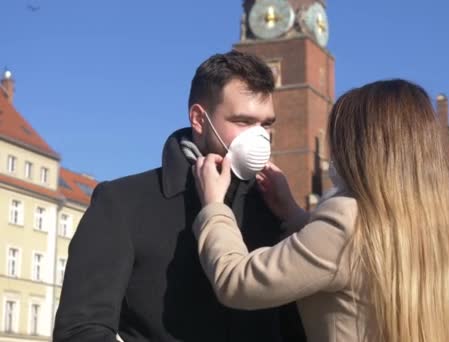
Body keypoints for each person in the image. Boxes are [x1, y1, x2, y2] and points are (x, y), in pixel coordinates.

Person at [192, 79, 449, 342]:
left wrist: (215, 207)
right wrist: (293, 213)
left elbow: (236, 281)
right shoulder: (439, 223)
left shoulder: (347, 220)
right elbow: (360, 262)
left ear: (361, 147)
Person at [53, 50, 305, 342]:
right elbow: (80, 330)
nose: (260, 137)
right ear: (199, 119)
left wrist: (293, 220)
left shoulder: (274, 211)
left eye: (266, 124)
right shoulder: (123, 203)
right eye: (243, 122)